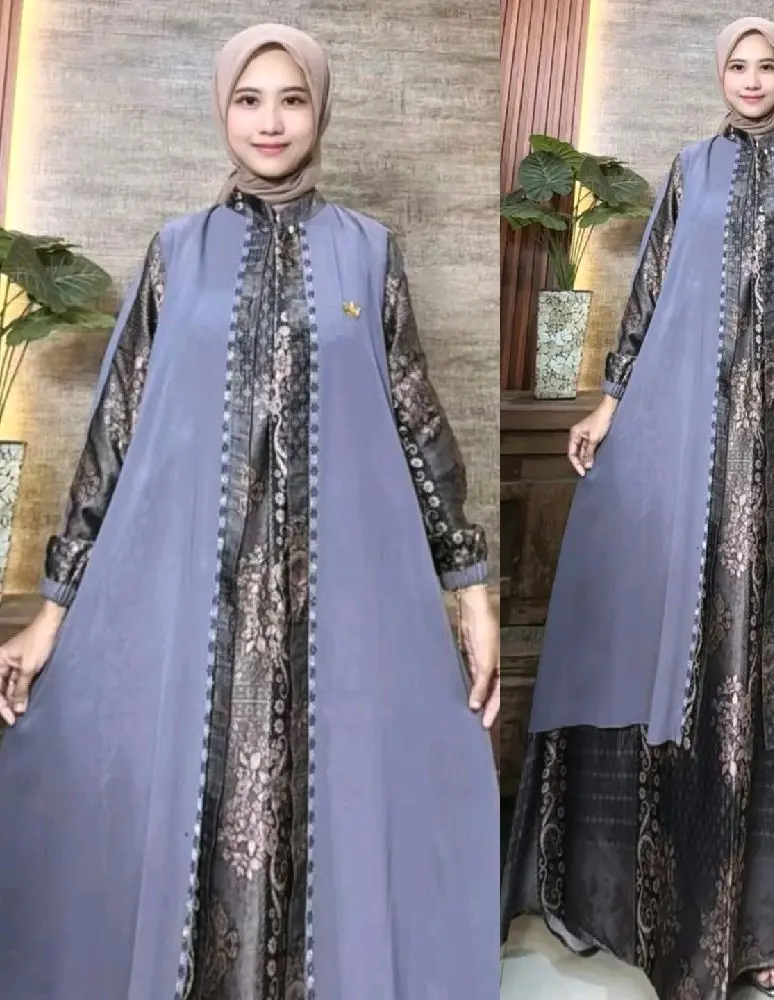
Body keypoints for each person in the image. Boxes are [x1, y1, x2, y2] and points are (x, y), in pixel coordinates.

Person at [0, 23, 499, 1000]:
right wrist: (52, 610)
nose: (270, 121)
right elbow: (116, 429)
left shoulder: (367, 253)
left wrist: (471, 590)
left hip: (334, 610)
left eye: (292, 99)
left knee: (335, 806)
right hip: (192, 608)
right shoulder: (177, 253)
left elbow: (415, 417)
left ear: (320, 111)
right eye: (248, 99)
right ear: (222, 110)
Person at [501, 16, 774, 1000]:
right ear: (719, 75)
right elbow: (651, 290)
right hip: (695, 446)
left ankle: (771, 921)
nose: (750, 78)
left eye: (765, 64)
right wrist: (609, 403)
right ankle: (675, 905)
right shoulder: (689, 170)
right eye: (736, 64)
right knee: (688, 657)